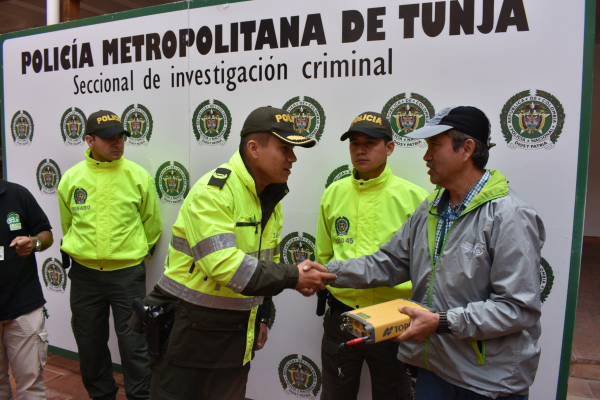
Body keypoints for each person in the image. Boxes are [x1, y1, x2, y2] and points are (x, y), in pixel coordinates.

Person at [320, 106, 545, 399]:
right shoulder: (431, 206)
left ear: (466, 149)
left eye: (434, 146)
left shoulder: (510, 215)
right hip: (434, 368)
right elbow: (388, 263)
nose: (426, 156)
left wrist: (443, 322)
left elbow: (518, 308)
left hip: (487, 380)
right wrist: (326, 273)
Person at [134, 106, 337, 400]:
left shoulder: (270, 195)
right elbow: (225, 266)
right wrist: (294, 276)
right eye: (285, 149)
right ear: (253, 148)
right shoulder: (214, 192)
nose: (293, 158)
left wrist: (262, 316)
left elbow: (266, 261)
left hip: (236, 333)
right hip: (190, 332)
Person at [316, 111, 428, 400]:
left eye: (370, 143)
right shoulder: (333, 193)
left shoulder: (414, 198)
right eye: (354, 143)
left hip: (393, 321)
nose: (360, 150)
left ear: (389, 148)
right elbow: (324, 254)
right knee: (335, 394)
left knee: (393, 394)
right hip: (342, 317)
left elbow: (425, 266)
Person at [57, 110, 162, 400]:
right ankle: (101, 395)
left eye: (121, 137)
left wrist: (128, 254)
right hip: (84, 276)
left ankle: (140, 397)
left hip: (126, 276)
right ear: (89, 140)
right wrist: (87, 252)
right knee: (89, 344)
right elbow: (68, 225)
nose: (117, 143)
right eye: (109, 138)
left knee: (134, 345)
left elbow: (152, 226)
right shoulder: (71, 178)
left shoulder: (138, 177)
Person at [0, 180, 53, 400]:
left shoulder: (18, 194)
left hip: (23, 304)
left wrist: (34, 243)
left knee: (31, 388)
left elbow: (45, 233)